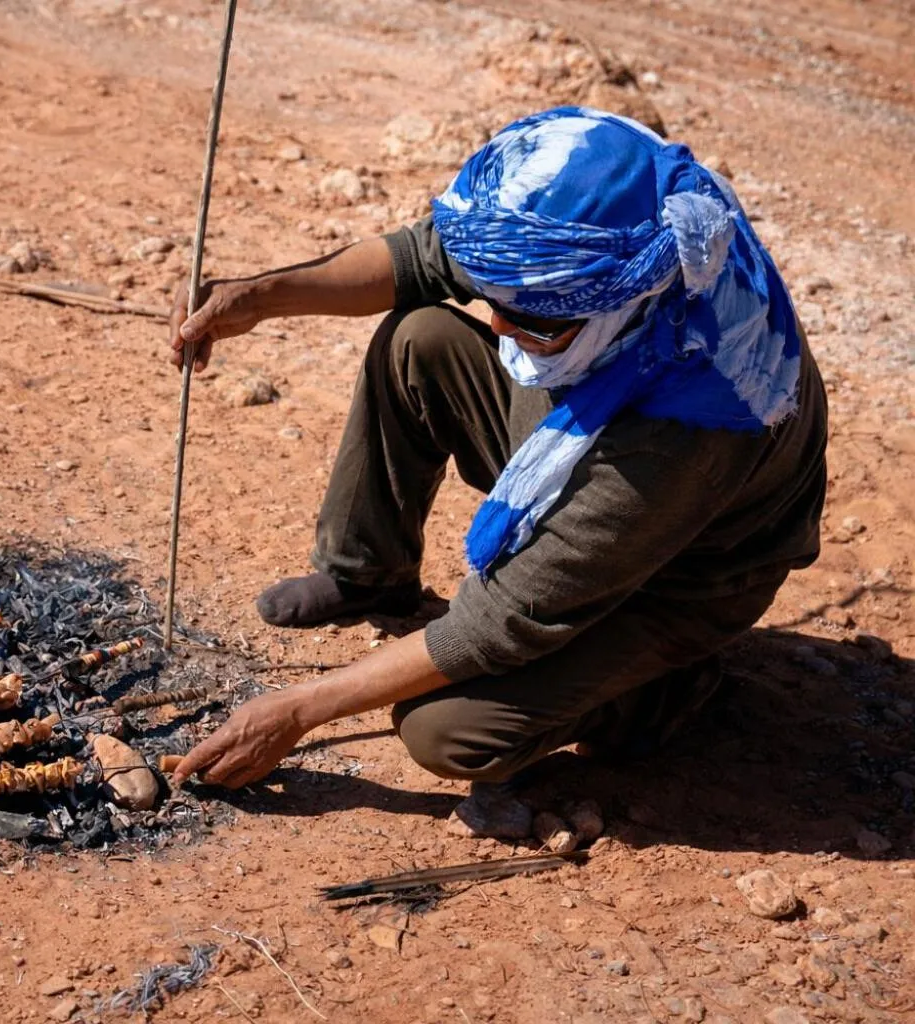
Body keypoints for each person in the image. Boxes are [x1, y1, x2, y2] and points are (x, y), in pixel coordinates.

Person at [165, 107, 827, 834]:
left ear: (615, 305)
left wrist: (295, 711)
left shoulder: (689, 421)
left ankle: (664, 691)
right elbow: (417, 264)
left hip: (684, 569)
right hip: (605, 411)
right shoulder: (568, 235)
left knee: (446, 730)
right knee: (421, 337)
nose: (499, 327)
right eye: (495, 302)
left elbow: (502, 622)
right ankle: (367, 572)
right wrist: (257, 298)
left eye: (533, 322)